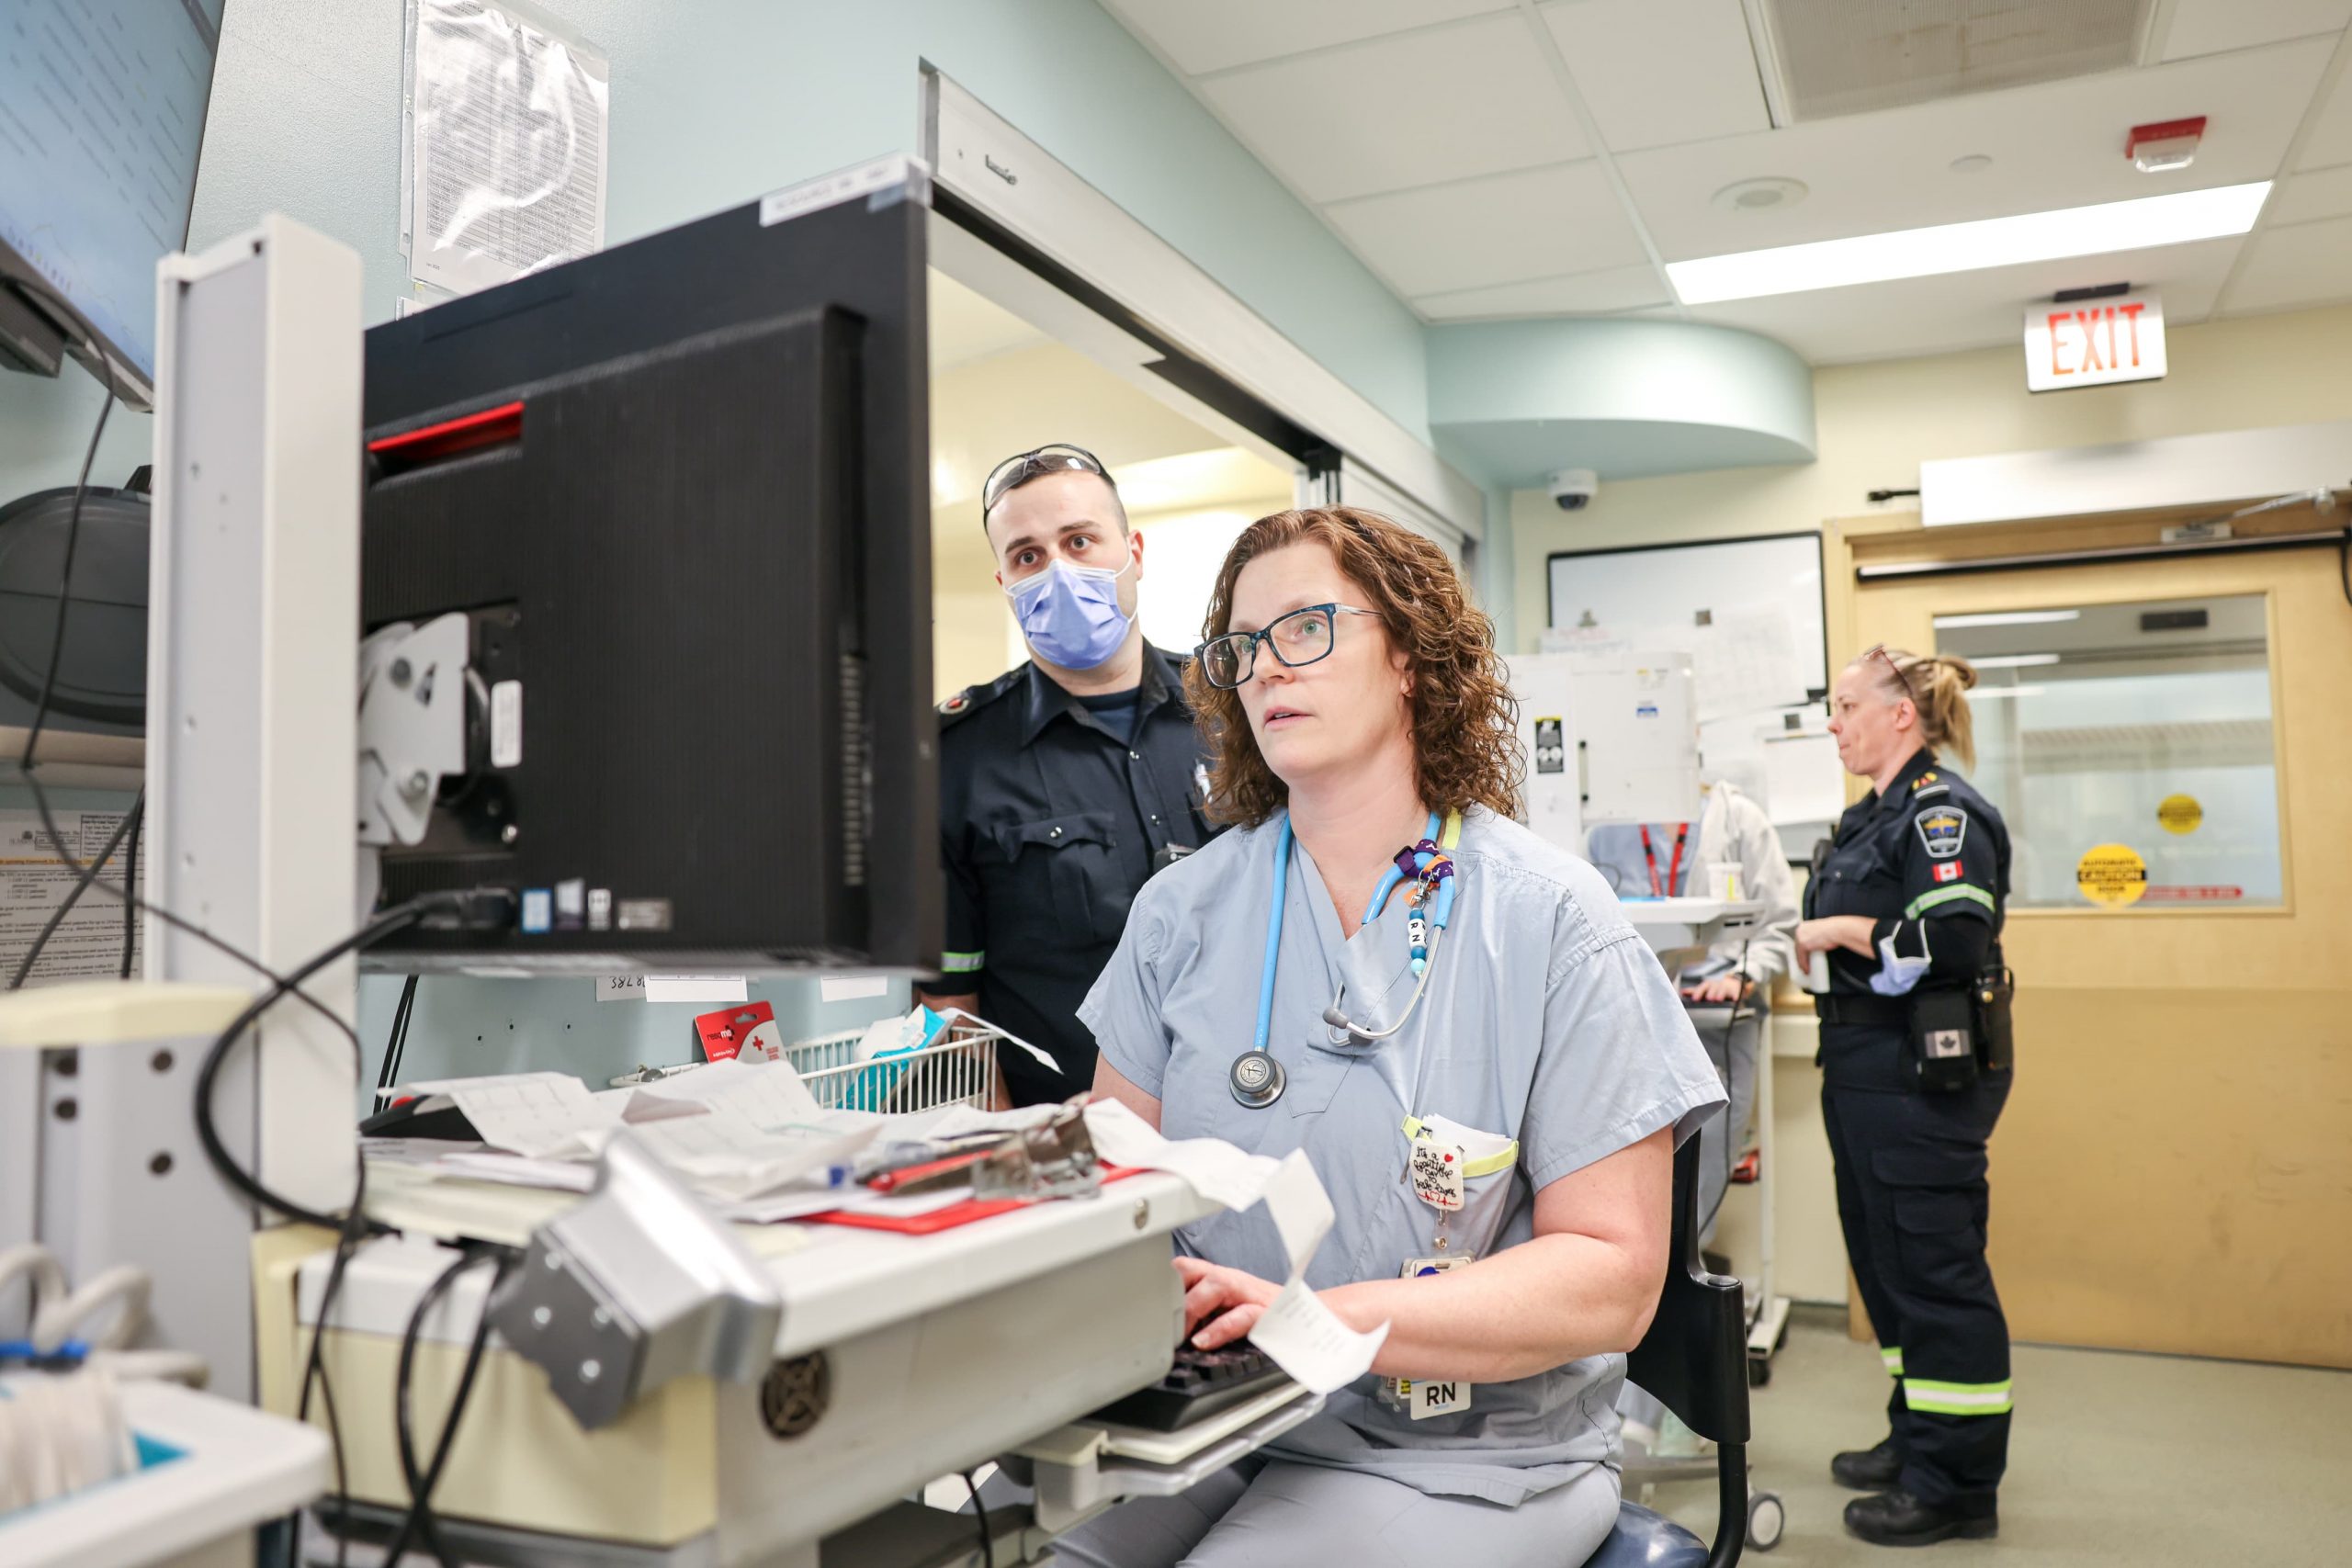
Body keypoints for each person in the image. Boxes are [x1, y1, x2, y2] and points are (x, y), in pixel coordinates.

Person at [1067, 507, 1725, 1568]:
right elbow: (1107, 1193)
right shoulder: (1178, 914)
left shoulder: (1552, 919)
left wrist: (1318, 1315)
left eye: (1307, 628)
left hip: (1469, 1446)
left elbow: (1612, 1277)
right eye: (1242, 647)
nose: (1268, 668)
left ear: (1411, 654)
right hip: (1222, 1417)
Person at [1794, 646, 2014, 1547]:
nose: (1833, 722)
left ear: (1900, 716)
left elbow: (1955, 944)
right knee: (1886, 1267)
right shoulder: (1867, 820)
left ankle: (1956, 1485)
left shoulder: (1940, 816)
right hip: (1861, 1069)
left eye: (1846, 706)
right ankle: (1916, 1436)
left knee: (1934, 1273)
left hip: (1916, 1076)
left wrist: (1846, 925)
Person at [918, 444, 1216, 1105]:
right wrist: (1008, 1160)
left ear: (1133, 552)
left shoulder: (1235, 715)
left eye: (1080, 540)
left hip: (1249, 1129)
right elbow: (949, 1008)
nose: (1058, 570)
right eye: (1028, 555)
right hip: (1074, 1152)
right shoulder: (956, 759)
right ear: (1006, 584)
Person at [1587, 781, 1800, 1250]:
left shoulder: (1740, 820)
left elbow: (1781, 923)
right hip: (1632, 1021)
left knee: (1704, 1172)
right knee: (1630, 1171)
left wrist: (1743, 974)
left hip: (1717, 1020)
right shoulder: (1604, 830)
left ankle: (1688, 1279)